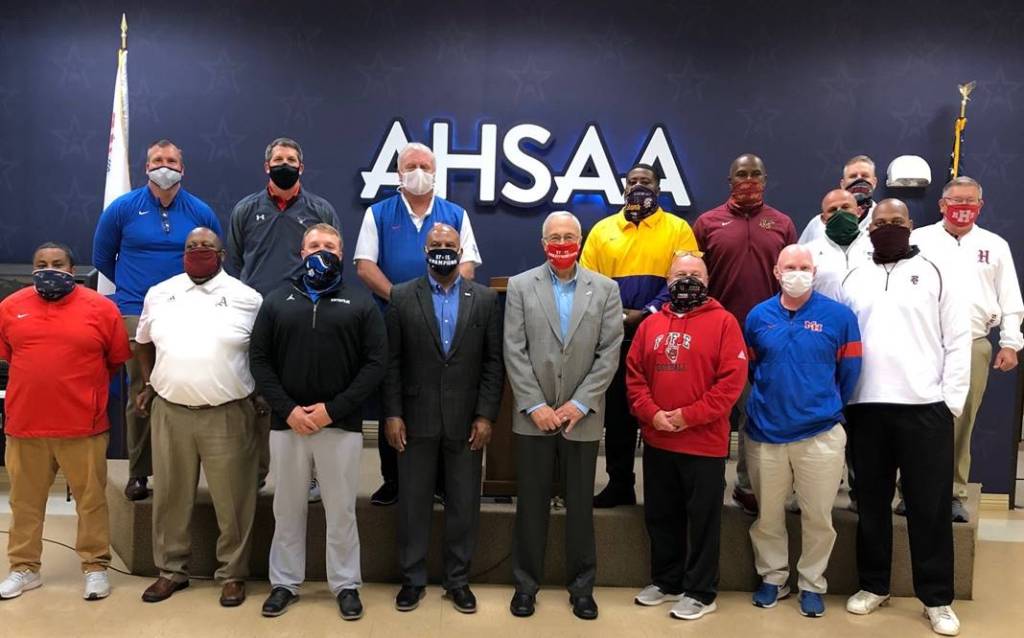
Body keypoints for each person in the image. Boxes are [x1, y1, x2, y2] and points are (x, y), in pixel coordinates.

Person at [840, 199, 970, 636]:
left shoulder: (936, 272)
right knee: (871, 503)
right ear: (869, 228)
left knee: (929, 507)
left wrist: (950, 402)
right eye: (880, 223)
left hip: (925, 408)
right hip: (866, 407)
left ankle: (937, 598)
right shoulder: (854, 276)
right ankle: (874, 585)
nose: (888, 227)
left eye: (897, 222)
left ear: (911, 226)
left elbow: (958, 339)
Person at [250, 223, 386, 622]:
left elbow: (375, 364)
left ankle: (345, 584)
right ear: (302, 252)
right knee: (287, 507)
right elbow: (259, 361)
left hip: (340, 426)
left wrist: (333, 410)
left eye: (329, 245)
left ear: (341, 254)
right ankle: (284, 583)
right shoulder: (277, 301)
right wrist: (289, 410)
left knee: (341, 510)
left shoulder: (360, 303)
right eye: (314, 245)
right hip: (287, 424)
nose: (320, 250)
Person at [504, 211, 623, 620]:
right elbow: (514, 349)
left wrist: (580, 403)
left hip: (582, 418)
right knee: (530, 506)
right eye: (554, 237)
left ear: (581, 241)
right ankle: (525, 587)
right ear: (543, 243)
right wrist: (535, 405)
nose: (561, 243)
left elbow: (609, 353)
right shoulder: (521, 286)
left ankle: (582, 588)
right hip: (533, 417)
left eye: (569, 236)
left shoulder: (606, 289)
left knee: (580, 508)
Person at [134, 228, 263, 607]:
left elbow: (264, 351)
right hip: (170, 412)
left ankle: (232, 574)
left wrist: (260, 393)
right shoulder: (160, 293)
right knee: (170, 497)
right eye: (191, 246)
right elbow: (142, 342)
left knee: (234, 500)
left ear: (222, 254)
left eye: (207, 246)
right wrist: (149, 382)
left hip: (227, 413)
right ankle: (171, 571)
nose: (198, 251)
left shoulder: (247, 297)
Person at [383, 223, 503, 615]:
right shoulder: (401, 296)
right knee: (413, 504)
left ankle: (458, 581)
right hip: (414, 419)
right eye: (435, 244)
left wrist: (486, 415)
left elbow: (493, 362)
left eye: (450, 244)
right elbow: (392, 362)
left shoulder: (484, 299)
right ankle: (412, 580)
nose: (443, 249)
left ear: (461, 250)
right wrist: (393, 413)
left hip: (467, 422)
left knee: (464, 505)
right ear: (425, 250)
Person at [92, 138, 222, 501]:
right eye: (157, 160)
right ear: (147, 166)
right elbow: (102, 258)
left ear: (182, 168)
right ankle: (139, 472)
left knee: (187, 386)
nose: (164, 166)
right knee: (142, 390)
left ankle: (181, 471)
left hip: (189, 311)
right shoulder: (122, 209)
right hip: (136, 311)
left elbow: (213, 258)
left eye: (171, 160)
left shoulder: (200, 211)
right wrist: (138, 290)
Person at [0, 243, 131, 601]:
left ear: (72, 270)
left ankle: (95, 567)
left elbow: (115, 359)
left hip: (83, 426)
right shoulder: (10, 307)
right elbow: (9, 355)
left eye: (58, 264)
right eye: (41, 263)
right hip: (25, 426)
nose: (49, 269)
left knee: (91, 502)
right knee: (24, 503)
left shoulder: (101, 308)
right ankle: (24, 568)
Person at [354, 142, 482, 507]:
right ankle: (392, 480)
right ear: (399, 173)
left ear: (435, 172)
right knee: (392, 397)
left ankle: (439, 482)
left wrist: (432, 302)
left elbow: (468, 266)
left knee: (438, 398)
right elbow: (365, 266)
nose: (419, 172)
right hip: (391, 320)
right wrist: (404, 302)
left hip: (444, 322)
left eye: (425, 166)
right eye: (411, 166)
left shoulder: (455, 213)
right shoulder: (378, 213)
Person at [626, 251, 747, 621]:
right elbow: (634, 376)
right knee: (661, 515)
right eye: (680, 274)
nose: (687, 280)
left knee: (703, 521)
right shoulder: (650, 325)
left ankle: (701, 592)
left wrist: (687, 416)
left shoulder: (724, 322)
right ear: (668, 281)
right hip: (658, 439)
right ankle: (667, 581)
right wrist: (652, 414)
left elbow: (731, 384)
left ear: (707, 282)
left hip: (704, 443)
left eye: (695, 274)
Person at [744, 245, 862, 617]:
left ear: (814, 272)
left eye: (804, 267)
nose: (798, 273)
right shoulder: (758, 316)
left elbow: (849, 373)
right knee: (768, 515)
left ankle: (812, 584)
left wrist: (820, 403)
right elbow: (752, 369)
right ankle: (773, 578)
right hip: (766, 432)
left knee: (818, 517)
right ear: (777, 272)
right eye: (790, 266)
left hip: (820, 432)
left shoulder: (840, 317)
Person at [226, 137, 341, 494]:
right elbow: (235, 262)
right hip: (256, 313)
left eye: (291, 159)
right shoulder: (246, 209)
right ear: (267, 166)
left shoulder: (320, 209)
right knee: (255, 395)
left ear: (301, 167)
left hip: (303, 313)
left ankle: (310, 476)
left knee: (303, 390)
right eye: (278, 159)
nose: (285, 164)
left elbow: (333, 261)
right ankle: (255, 472)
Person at [580, 162, 699, 508]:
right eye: (632, 182)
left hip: (664, 334)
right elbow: (588, 283)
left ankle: (663, 491)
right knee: (619, 414)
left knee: (660, 411)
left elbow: (685, 278)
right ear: (624, 188)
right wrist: (619, 316)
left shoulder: (678, 229)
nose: (638, 187)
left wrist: (646, 313)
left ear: (658, 189)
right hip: (614, 337)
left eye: (645, 181)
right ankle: (620, 484)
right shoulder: (602, 230)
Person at [912, 176, 1022, 522]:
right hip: (924, 342)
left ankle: (953, 492)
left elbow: (1011, 298)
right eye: (956, 201)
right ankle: (909, 490)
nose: (963, 207)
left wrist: (1010, 343)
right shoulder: (918, 240)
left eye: (970, 201)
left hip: (973, 344)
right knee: (915, 418)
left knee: (961, 420)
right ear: (942, 205)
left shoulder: (995, 245)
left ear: (980, 205)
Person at [692, 153, 797, 515]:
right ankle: (710, 483)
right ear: (730, 180)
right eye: (741, 174)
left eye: (755, 174)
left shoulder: (782, 223)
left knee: (755, 412)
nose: (748, 180)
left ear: (765, 180)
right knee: (713, 412)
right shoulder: (707, 223)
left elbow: (792, 279)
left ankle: (746, 484)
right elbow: (695, 278)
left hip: (767, 335)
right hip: (717, 332)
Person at [804, 189, 874, 302]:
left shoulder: (875, 246)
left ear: (858, 212)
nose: (840, 213)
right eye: (832, 210)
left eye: (845, 207)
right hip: (826, 313)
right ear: (823, 219)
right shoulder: (809, 252)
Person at [799, 155, 878, 244]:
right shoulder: (817, 225)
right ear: (842, 184)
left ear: (874, 182)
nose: (859, 179)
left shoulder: (883, 221)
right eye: (853, 176)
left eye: (865, 176)